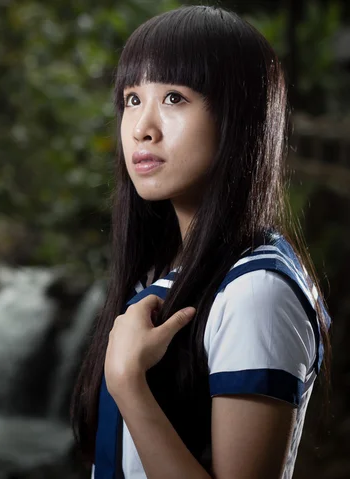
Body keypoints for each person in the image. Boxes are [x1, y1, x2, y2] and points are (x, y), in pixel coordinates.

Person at [70, 5, 332, 479]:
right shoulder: (164, 264)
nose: (142, 128)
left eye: (173, 98)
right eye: (132, 99)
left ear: (239, 119)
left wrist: (129, 384)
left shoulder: (256, 292)